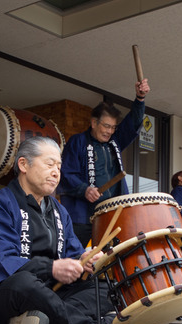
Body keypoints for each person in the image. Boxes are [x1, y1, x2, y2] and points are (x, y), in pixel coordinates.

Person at [0, 137, 116, 324]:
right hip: (3, 293)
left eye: (58, 166)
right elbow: (1, 264)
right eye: (49, 164)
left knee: (109, 287)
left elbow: (73, 254)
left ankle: (43, 319)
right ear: (23, 164)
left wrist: (85, 260)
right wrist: (52, 268)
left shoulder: (60, 211)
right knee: (24, 283)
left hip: (51, 292)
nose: (56, 172)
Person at [58, 79, 150, 247]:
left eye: (113, 127)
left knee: (111, 258)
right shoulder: (77, 142)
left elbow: (133, 122)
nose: (109, 131)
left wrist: (140, 99)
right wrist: (84, 189)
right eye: (106, 126)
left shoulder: (114, 141)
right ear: (94, 123)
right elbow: (66, 173)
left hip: (112, 214)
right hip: (82, 217)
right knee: (77, 258)